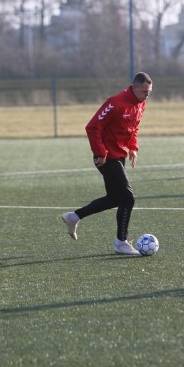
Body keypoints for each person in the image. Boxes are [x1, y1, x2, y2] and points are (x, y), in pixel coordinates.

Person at [61, 72, 153, 255]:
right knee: (128, 198)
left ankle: (74, 216)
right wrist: (100, 152)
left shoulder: (141, 104)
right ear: (134, 88)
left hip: (119, 155)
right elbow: (92, 126)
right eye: (144, 91)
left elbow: (134, 127)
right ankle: (121, 242)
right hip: (105, 156)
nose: (147, 95)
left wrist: (133, 147)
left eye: (149, 92)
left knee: (114, 198)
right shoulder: (116, 102)